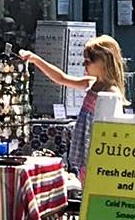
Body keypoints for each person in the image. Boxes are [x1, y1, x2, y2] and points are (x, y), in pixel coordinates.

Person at [20, 35, 127, 183]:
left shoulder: (111, 92)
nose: (84, 65)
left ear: (103, 61)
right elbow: (61, 78)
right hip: (85, 152)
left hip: (97, 153)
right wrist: (35, 59)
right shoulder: (91, 83)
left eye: (88, 61)